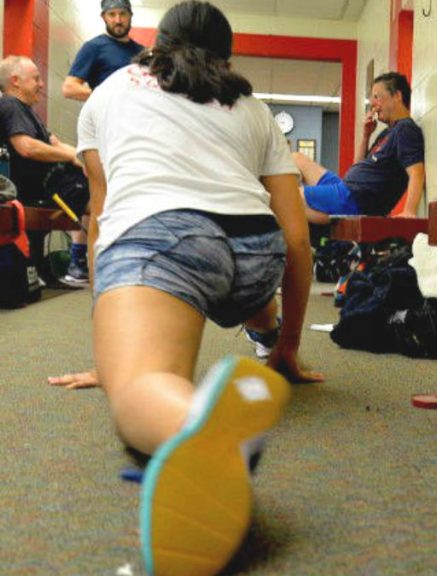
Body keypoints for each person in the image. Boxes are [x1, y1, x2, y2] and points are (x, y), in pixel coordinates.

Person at [75, 2, 322, 574]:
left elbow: (102, 215)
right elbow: (296, 238)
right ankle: (263, 342)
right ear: (227, 55)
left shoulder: (108, 92)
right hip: (253, 254)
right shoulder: (252, 105)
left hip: (165, 241)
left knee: (140, 382)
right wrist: (287, 349)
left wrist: (114, 352)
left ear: (152, 44)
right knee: (230, 262)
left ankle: (202, 430)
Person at [58, 0, 144, 285]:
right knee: (100, 201)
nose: (117, 19)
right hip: (100, 133)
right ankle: (85, 268)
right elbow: (69, 87)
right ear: (104, 17)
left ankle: (128, 262)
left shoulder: (141, 53)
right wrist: (106, 95)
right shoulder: (94, 47)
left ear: (130, 16)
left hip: (132, 134)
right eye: (112, 14)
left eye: (122, 14)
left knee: (132, 198)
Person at [0, 56, 87, 285]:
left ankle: (47, 269)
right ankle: (83, 265)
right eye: (36, 79)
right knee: (99, 196)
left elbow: (56, 144)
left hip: (44, 188)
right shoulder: (10, 105)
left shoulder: (27, 111)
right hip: (29, 192)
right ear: (16, 81)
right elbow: (26, 147)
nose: (41, 84)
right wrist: (71, 157)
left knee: (95, 184)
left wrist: (86, 158)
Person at [297, 71, 425, 222]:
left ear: (397, 96)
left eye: (377, 97)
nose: (373, 103)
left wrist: (409, 212)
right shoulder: (387, 132)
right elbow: (357, 166)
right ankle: (326, 220)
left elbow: (417, 172)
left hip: (356, 198)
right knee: (296, 158)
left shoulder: (406, 129)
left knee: (289, 197)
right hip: (346, 189)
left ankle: (337, 226)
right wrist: (366, 136)